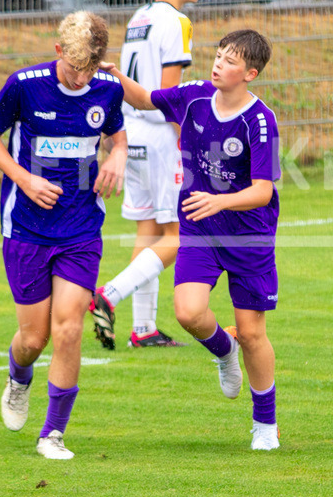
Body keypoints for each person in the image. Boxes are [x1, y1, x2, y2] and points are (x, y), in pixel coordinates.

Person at [98, 29, 282, 450]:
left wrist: (221, 201)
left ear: (250, 73)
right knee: (188, 312)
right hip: (201, 228)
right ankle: (223, 351)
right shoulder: (195, 95)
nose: (218, 64)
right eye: (218, 55)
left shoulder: (260, 121)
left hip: (249, 236)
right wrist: (114, 77)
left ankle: (265, 426)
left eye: (231, 60)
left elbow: (263, 191)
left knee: (253, 333)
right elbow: (145, 99)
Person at [0, 11, 127, 459]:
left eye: (90, 70)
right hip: (25, 227)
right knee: (33, 339)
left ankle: (53, 434)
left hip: (81, 227)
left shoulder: (108, 88)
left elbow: (117, 136)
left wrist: (117, 155)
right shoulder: (24, 85)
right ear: (59, 51)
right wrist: (24, 179)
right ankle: (18, 379)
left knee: (68, 329)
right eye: (74, 67)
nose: (82, 79)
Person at [90, 0, 207, 350]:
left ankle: (143, 329)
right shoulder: (178, 21)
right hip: (160, 135)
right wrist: (188, 137)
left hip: (132, 130)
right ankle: (110, 294)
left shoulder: (138, 18)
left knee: (148, 228)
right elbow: (169, 93)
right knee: (183, 232)